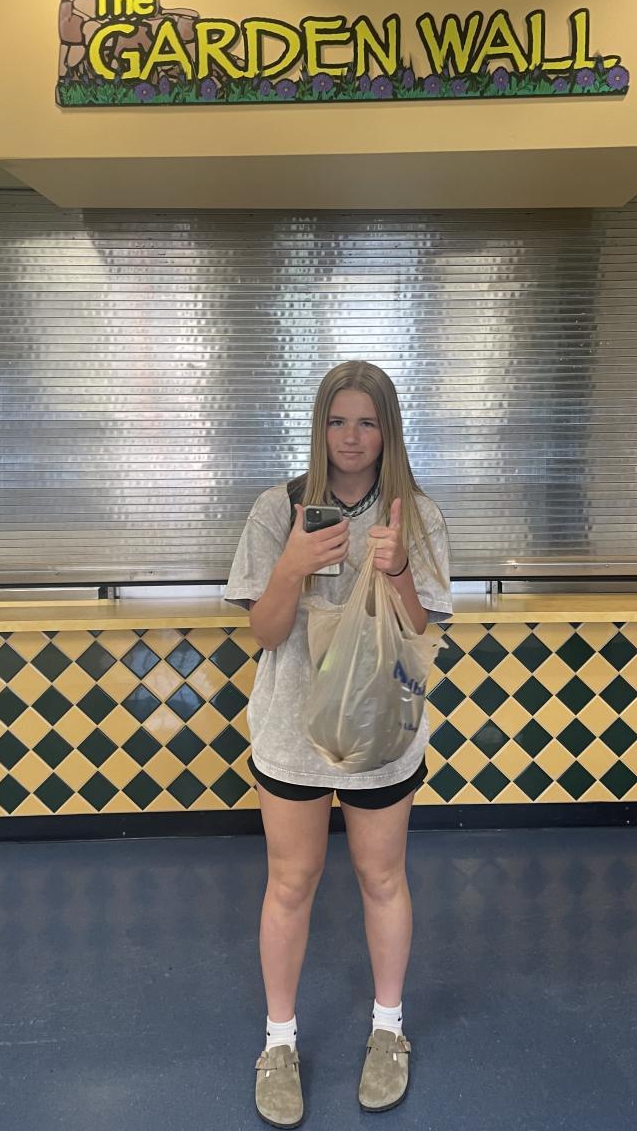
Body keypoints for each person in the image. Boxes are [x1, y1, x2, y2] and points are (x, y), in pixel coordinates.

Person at [224, 360, 452, 1128]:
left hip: (383, 731)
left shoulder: (416, 514)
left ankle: (389, 1030)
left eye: (367, 422)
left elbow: (421, 630)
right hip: (292, 731)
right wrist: (291, 567)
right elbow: (265, 633)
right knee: (290, 882)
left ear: (388, 430)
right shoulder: (277, 510)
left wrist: (398, 570)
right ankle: (278, 1042)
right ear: (319, 427)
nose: (351, 437)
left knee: (382, 877)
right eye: (337, 421)